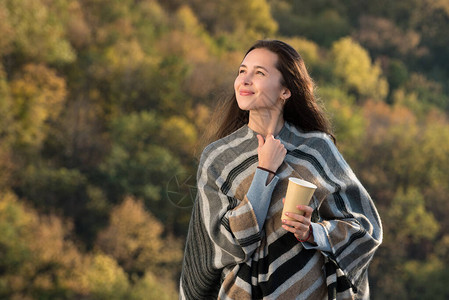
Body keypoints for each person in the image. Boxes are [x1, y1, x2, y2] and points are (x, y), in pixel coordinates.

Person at [179, 40, 382, 300]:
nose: (245, 80)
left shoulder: (317, 148)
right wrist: (265, 170)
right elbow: (220, 242)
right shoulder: (218, 157)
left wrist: (313, 232)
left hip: (308, 291)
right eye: (242, 71)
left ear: (285, 90)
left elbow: (366, 227)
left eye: (259, 73)